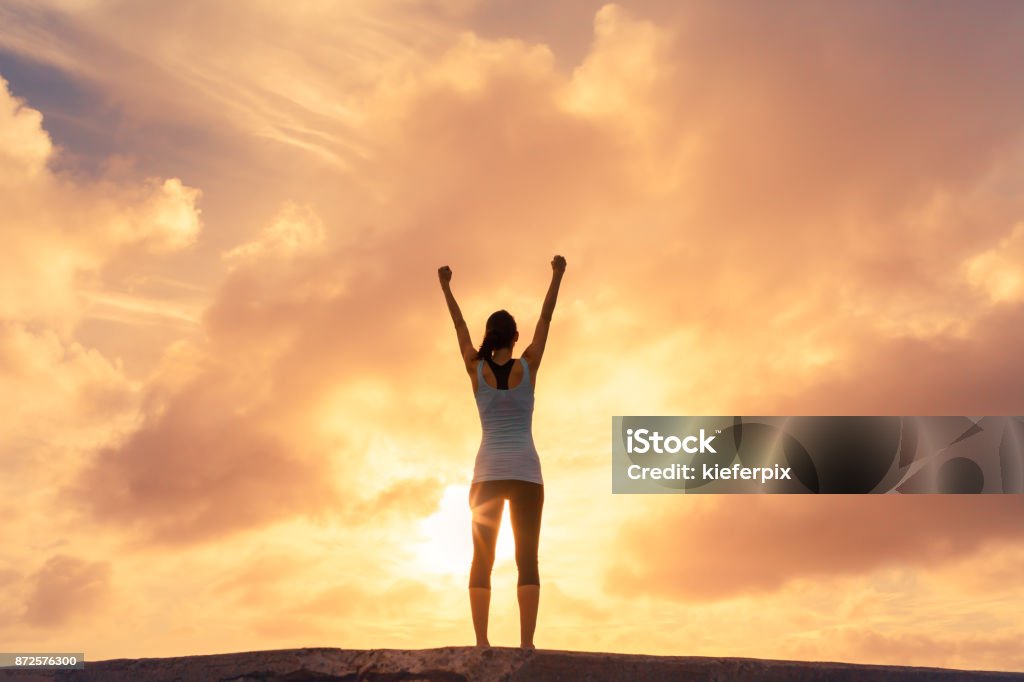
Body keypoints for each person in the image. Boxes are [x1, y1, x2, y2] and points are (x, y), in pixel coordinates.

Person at [437, 255, 566, 650]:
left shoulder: (476, 369)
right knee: (528, 559)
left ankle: (482, 644)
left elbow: (459, 328)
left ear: (489, 337)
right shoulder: (528, 365)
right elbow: (546, 321)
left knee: (483, 559)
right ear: (514, 338)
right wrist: (557, 275)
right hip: (527, 474)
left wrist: (446, 286)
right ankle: (527, 645)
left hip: (487, 475)